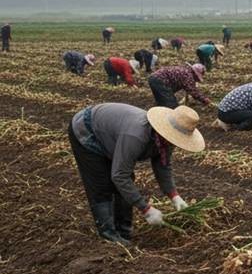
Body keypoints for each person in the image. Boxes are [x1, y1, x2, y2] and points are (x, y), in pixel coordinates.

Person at [68, 103, 203, 245]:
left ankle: (124, 231)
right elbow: (119, 175)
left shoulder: (165, 140)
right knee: (102, 183)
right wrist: (146, 209)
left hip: (113, 135)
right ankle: (108, 234)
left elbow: (162, 166)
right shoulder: (136, 136)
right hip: (88, 130)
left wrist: (174, 196)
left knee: (125, 181)